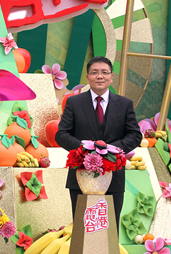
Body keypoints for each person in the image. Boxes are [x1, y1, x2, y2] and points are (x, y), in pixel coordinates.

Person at [55, 56, 142, 230]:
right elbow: (61, 134)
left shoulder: (125, 104)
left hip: (113, 176)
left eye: (104, 72)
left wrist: (111, 151)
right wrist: (86, 151)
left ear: (111, 76)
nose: (99, 76)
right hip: (81, 176)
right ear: (87, 77)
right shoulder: (74, 102)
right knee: (83, 229)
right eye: (94, 72)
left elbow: (135, 135)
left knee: (109, 230)